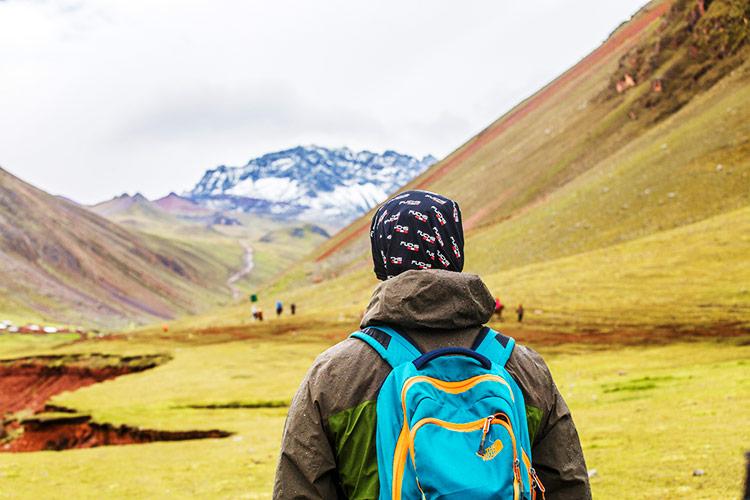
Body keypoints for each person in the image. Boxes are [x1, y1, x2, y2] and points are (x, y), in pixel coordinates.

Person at [273, 190, 591, 500]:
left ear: (381, 259)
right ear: (455, 252)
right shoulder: (524, 367)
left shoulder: (334, 373)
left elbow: (299, 490)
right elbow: (568, 483)